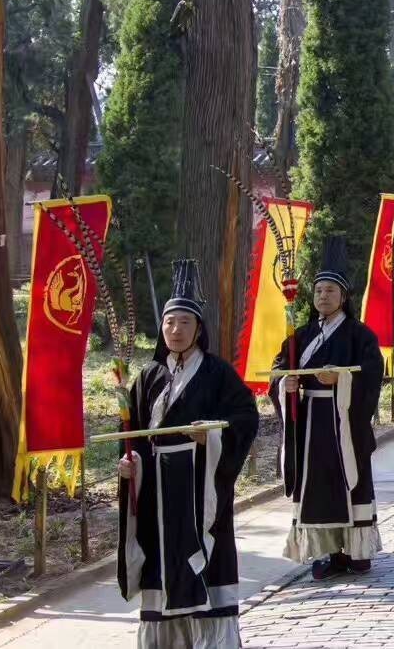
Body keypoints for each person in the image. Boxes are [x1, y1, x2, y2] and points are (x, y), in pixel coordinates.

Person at [116, 260, 259, 647]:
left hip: (200, 485)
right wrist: (129, 464)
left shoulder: (217, 373)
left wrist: (211, 437)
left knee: (202, 565)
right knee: (163, 562)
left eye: (184, 323)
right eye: (169, 323)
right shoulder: (148, 376)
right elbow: (131, 433)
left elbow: (245, 417)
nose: (175, 331)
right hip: (157, 491)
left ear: (199, 329)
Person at [271, 237, 385, 580]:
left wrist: (342, 383)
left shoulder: (360, 335)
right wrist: (284, 386)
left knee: (351, 481)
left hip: (344, 422)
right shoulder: (299, 337)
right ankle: (323, 551)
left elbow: (372, 373)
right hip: (310, 424)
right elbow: (279, 369)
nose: (323, 296)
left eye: (330, 291)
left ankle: (356, 549)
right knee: (317, 485)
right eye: (319, 291)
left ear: (344, 297)